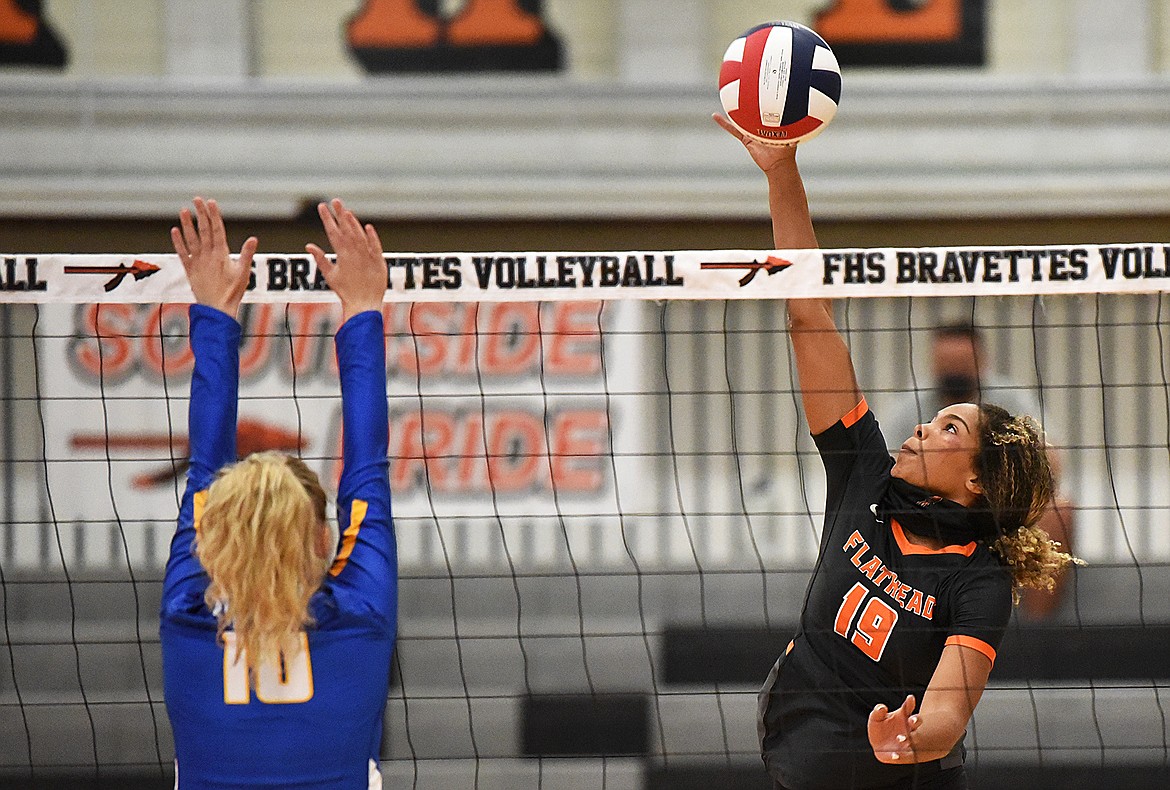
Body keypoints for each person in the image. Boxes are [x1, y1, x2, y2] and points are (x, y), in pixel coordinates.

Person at [714, 114, 1079, 790]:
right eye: (934, 419)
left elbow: (949, 709)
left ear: (975, 478)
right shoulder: (865, 475)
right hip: (802, 751)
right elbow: (809, 316)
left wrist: (911, 741)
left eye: (947, 429)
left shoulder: (978, 582)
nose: (920, 429)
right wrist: (783, 172)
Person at [160, 196, 395, 789]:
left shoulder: (189, 618)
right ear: (322, 537)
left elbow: (205, 469)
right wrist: (364, 303)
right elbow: (365, 467)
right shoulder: (359, 616)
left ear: (218, 537)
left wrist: (214, 308)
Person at [882, 322, 1077, 621]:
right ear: (934, 364)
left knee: (1059, 510)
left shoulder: (1011, 401)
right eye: (947, 365)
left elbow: (1050, 464)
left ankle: (1038, 633)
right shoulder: (909, 407)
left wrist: (999, 489)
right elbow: (890, 469)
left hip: (993, 507)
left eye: (962, 365)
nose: (954, 374)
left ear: (981, 362)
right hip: (926, 508)